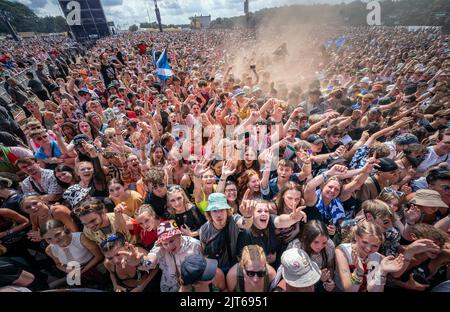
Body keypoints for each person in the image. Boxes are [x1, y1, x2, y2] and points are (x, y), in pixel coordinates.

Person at [335, 220, 405, 292]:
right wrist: (359, 273)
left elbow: (373, 290)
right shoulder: (342, 251)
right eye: (365, 242)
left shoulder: (378, 258)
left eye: (375, 246)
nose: (368, 249)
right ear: (356, 236)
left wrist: (382, 272)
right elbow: (349, 290)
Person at [199, 192, 254, 273]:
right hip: (215, 270)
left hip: (234, 267)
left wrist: (248, 216)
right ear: (209, 213)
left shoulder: (234, 220)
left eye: (222, 210)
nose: (219, 215)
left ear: (227, 211)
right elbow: (204, 253)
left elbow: (246, 224)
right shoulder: (204, 230)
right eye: (214, 211)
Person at [41, 219, 105, 287]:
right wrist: (67, 270)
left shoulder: (80, 238)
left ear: (65, 228)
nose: (55, 240)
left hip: (94, 266)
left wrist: (82, 271)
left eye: (58, 234)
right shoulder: (49, 250)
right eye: (49, 239)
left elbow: (99, 256)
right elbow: (58, 264)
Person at [287, 220, 335, 292]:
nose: (320, 246)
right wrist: (316, 276)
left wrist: (329, 281)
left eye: (324, 242)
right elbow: (292, 276)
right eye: (316, 242)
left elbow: (330, 266)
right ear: (307, 238)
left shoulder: (329, 246)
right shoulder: (295, 248)